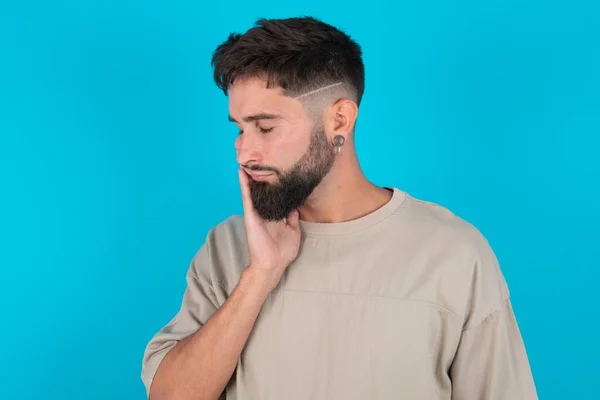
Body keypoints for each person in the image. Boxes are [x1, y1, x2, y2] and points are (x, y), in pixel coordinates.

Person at [141, 16, 538, 400]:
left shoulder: (453, 253)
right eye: (239, 128)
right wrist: (260, 275)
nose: (244, 151)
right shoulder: (227, 246)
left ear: (339, 120)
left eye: (265, 127)